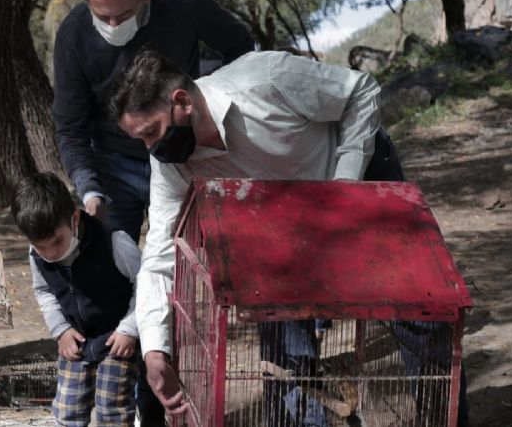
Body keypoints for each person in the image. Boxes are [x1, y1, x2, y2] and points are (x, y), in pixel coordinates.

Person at [108, 49, 469, 426]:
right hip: (274, 218)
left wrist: (344, 189)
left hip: (353, 173)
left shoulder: (266, 78)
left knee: (417, 308)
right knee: (280, 326)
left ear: (181, 101)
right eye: (141, 140)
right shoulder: (170, 165)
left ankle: (441, 415)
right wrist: (154, 349)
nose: (151, 148)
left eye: (152, 133)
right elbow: (161, 253)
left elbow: (360, 91)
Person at [53, 0, 253, 243]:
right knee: (112, 266)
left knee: (194, 251)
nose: (113, 26)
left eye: (123, 15)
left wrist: (208, 105)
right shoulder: (73, 35)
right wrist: (90, 190)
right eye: (102, 16)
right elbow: (70, 127)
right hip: (114, 166)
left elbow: (239, 45)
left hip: (183, 152)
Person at [11, 172, 141, 427]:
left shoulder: (115, 242)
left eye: (57, 242)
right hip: (76, 341)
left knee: (111, 410)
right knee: (67, 409)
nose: (50, 254)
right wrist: (60, 331)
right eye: (40, 246)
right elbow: (44, 291)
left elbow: (147, 285)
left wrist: (130, 329)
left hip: (117, 339)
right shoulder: (35, 254)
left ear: (74, 219)